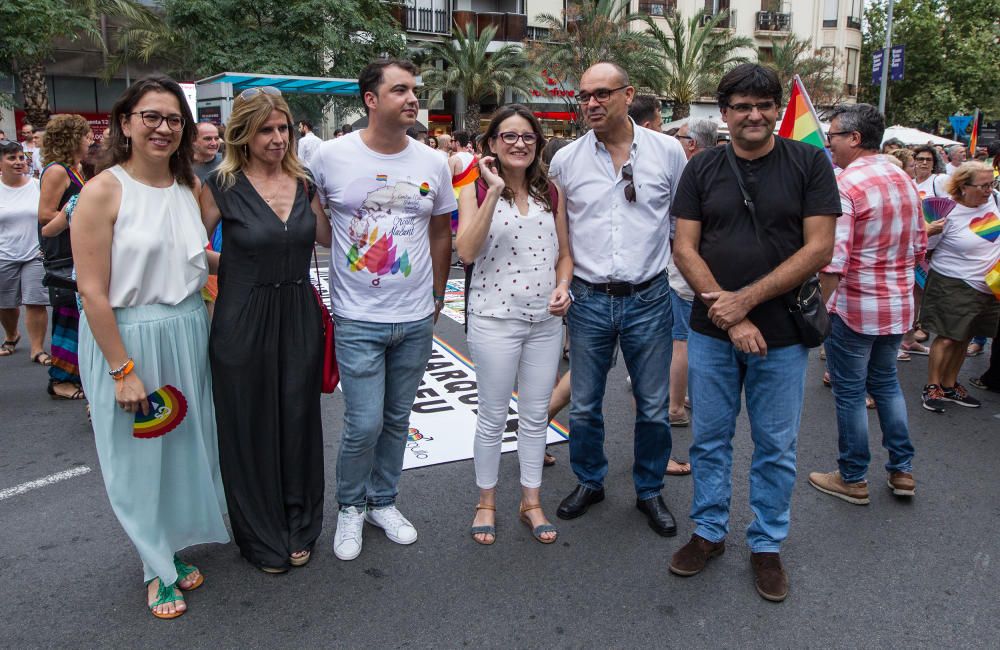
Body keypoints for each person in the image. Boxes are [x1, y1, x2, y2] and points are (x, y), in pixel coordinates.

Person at [670, 64, 840, 602]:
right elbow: (684, 248)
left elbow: (819, 249)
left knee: (775, 446)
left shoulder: (810, 162)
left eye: (764, 104)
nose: (754, 114)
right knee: (711, 440)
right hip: (713, 332)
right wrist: (733, 315)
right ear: (724, 114)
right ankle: (709, 533)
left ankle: (767, 544)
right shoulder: (701, 170)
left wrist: (748, 300)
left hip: (784, 333)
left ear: (777, 110)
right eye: (742, 105)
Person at [71, 75, 229, 620]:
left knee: (184, 448)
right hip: (129, 338)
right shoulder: (102, 190)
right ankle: (156, 569)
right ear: (125, 123)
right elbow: (91, 289)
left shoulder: (191, 187)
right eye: (152, 117)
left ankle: (168, 547)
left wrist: (255, 266)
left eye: (173, 119)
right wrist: (121, 370)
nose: (163, 128)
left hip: (188, 330)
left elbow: (190, 258)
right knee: (136, 460)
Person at [310, 59, 455, 561]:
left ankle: (382, 502)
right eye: (400, 90)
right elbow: (313, 218)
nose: (413, 98)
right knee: (363, 421)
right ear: (370, 99)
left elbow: (440, 230)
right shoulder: (329, 156)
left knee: (397, 418)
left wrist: (437, 294)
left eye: (414, 90)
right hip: (356, 317)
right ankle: (350, 506)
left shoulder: (433, 162)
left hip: (415, 316)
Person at [547, 62, 687, 537]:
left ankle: (649, 489)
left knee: (652, 405)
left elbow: (680, 228)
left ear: (629, 96)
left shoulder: (669, 153)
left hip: (649, 297)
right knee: (584, 403)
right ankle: (590, 480)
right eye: (585, 94)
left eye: (603, 93)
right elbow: (561, 234)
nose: (591, 103)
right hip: (588, 299)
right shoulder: (565, 160)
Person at [201, 86, 332, 573]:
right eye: (266, 130)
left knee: (298, 419)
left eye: (283, 128)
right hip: (241, 317)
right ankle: (258, 534)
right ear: (244, 134)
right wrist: (236, 265)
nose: (278, 139)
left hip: (298, 311)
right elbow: (186, 248)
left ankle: (301, 524)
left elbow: (326, 237)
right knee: (248, 425)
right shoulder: (220, 185)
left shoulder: (304, 182)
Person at [456, 105, 572, 546]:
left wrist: (564, 286)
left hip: (545, 321)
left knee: (535, 416)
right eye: (508, 136)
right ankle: (486, 501)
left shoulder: (552, 193)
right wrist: (494, 191)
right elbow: (466, 251)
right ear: (491, 144)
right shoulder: (473, 190)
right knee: (491, 416)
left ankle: (531, 500)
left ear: (538, 144)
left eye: (527, 136)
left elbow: (565, 253)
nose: (519, 143)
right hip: (493, 319)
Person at [808, 103, 925, 505]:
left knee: (850, 392)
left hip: (856, 308)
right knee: (887, 385)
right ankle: (902, 470)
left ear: (854, 138)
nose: (830, 144)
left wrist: (814, 315)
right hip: (896, 306)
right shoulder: (904, 178)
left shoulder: (846, 184)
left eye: (834, 136)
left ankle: (853, 476)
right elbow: (919, 245)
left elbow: (833, 260)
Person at [919, 162, 1000, 413]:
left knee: (965, 336)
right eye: (983, 185)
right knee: (947, 337)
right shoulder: (946, 211)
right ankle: (932, 386)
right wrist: (929, 230)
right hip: (953, 283)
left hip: (988, 285)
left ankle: (950, 384)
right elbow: (925, 247)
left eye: (992, 184)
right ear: (963, 186)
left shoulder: (994, 201)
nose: (989, 190)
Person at [37, 114, 93, 401]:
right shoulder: (57, 171)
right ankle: (60, 379)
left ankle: (73, 373)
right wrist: (78, 210)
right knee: (67, 316)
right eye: (85, 135)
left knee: (77, 315)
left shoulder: (74, 169)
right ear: (72, 138)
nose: (90, 140)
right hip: (63, 255)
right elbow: (45, 215)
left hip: (76, 250)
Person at [0, 140, 49, 364]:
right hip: (4, 254)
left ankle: (37, 349)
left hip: (35, 254)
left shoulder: (38, 186)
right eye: (12, 158)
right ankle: (12, 335)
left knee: (35, 301)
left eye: (21, 157)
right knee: (6, 304)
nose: (19, 162)